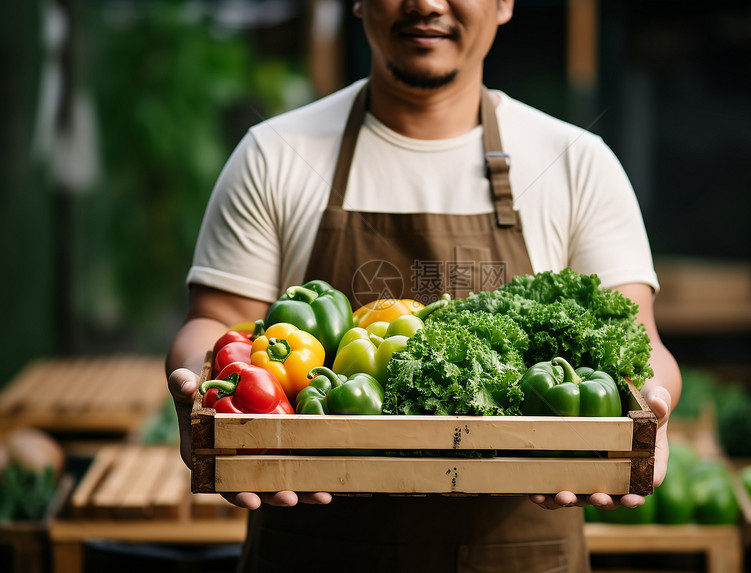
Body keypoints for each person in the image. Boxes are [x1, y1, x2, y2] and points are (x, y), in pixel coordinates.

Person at [166, 0, 682, 571]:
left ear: (505, 3)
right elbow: (218, 325)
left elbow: (637, 340)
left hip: (522, 552)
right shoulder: (272, 155)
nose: (428, 4)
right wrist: (199, 396)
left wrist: (652, 406)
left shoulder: (578, 163)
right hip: (311, 546)